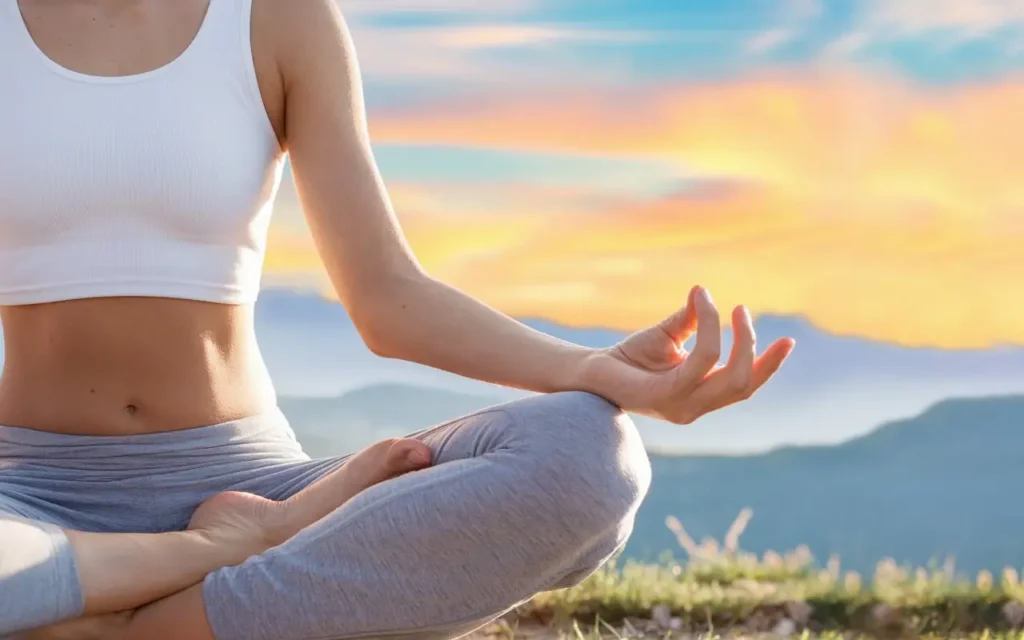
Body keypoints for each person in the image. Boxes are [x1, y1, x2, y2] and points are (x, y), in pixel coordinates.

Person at [0, 0, 795, 638]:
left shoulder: (276, 19)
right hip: (28, 499)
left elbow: (387, 296)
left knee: (585, 455)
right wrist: (219, 550)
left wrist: (592, 371)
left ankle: (110, 622)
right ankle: (211, 566)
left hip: (258, 487)